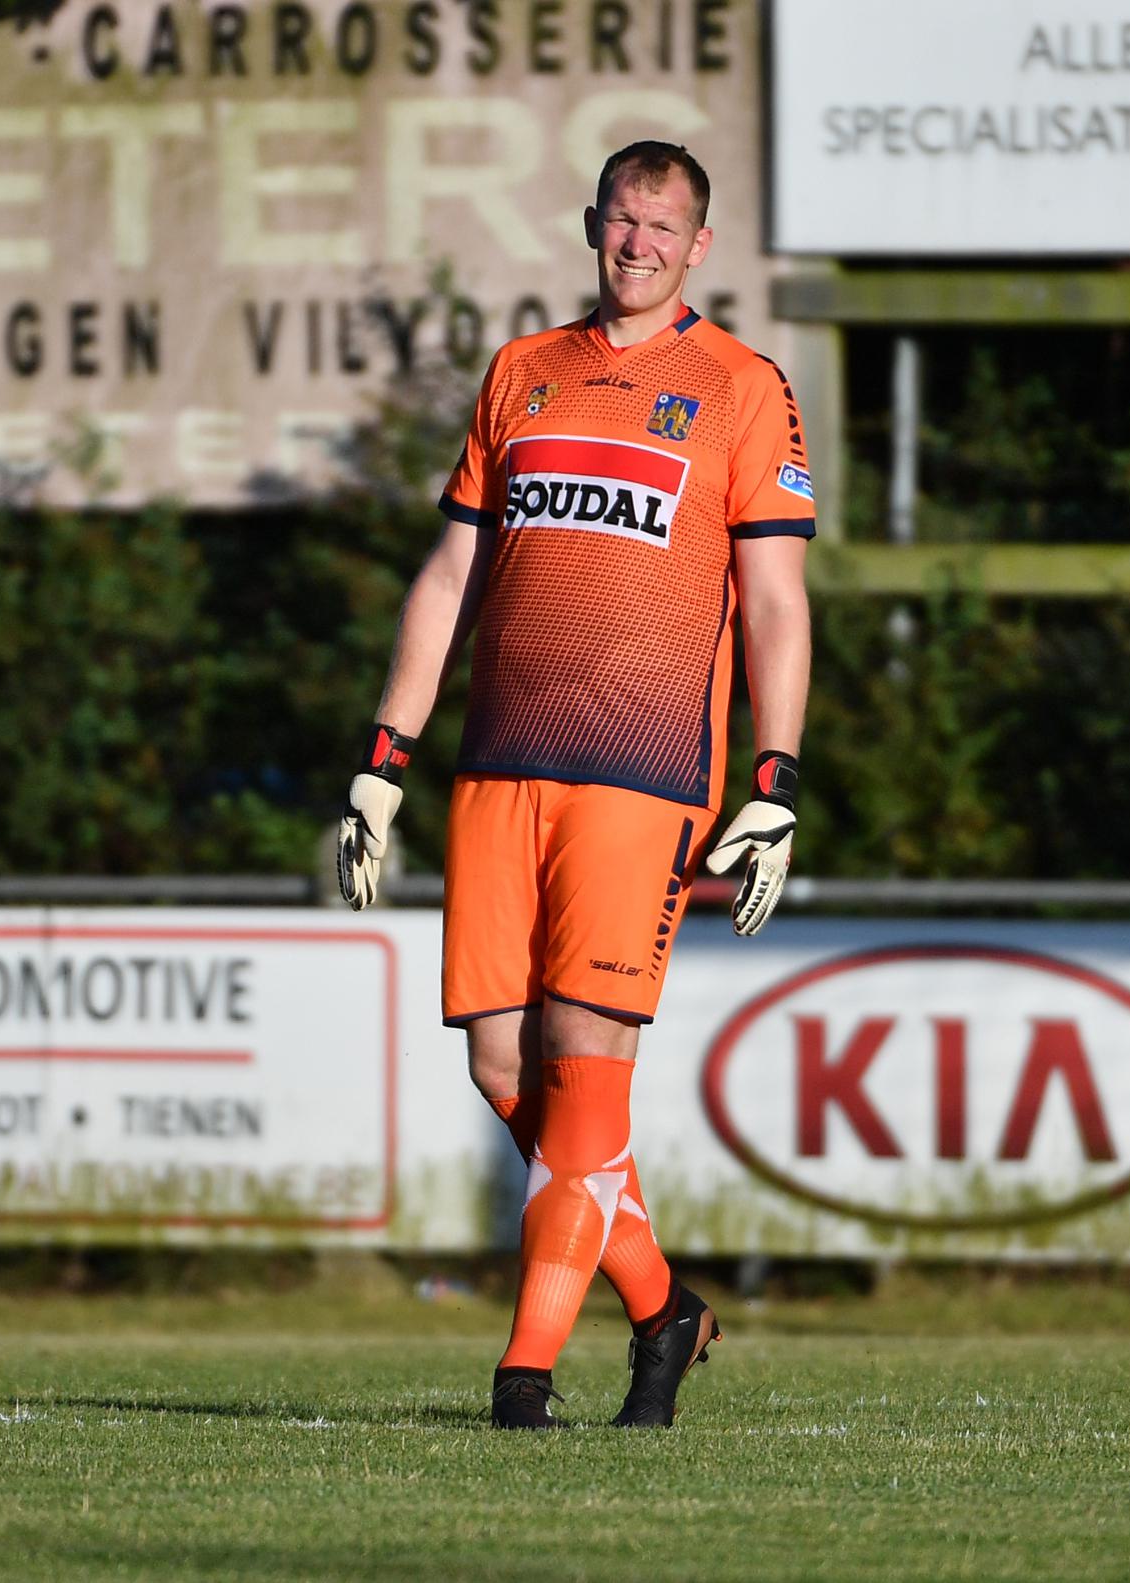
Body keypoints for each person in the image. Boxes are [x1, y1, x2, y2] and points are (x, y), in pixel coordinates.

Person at [336, 140, 814, 1431]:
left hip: (644, 777)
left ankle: (524, 1375)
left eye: (667, 226)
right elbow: (446, 582)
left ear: (699, 246)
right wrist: (386, 758)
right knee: (508, 1071)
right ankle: (663, 1310)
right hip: (499, 768)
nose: (641, 243)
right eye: (624, 218)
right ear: (593, 223)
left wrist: (775, 774)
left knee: (586, 1069)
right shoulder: (522, 374)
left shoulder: (741, 389)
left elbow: (774, 601)